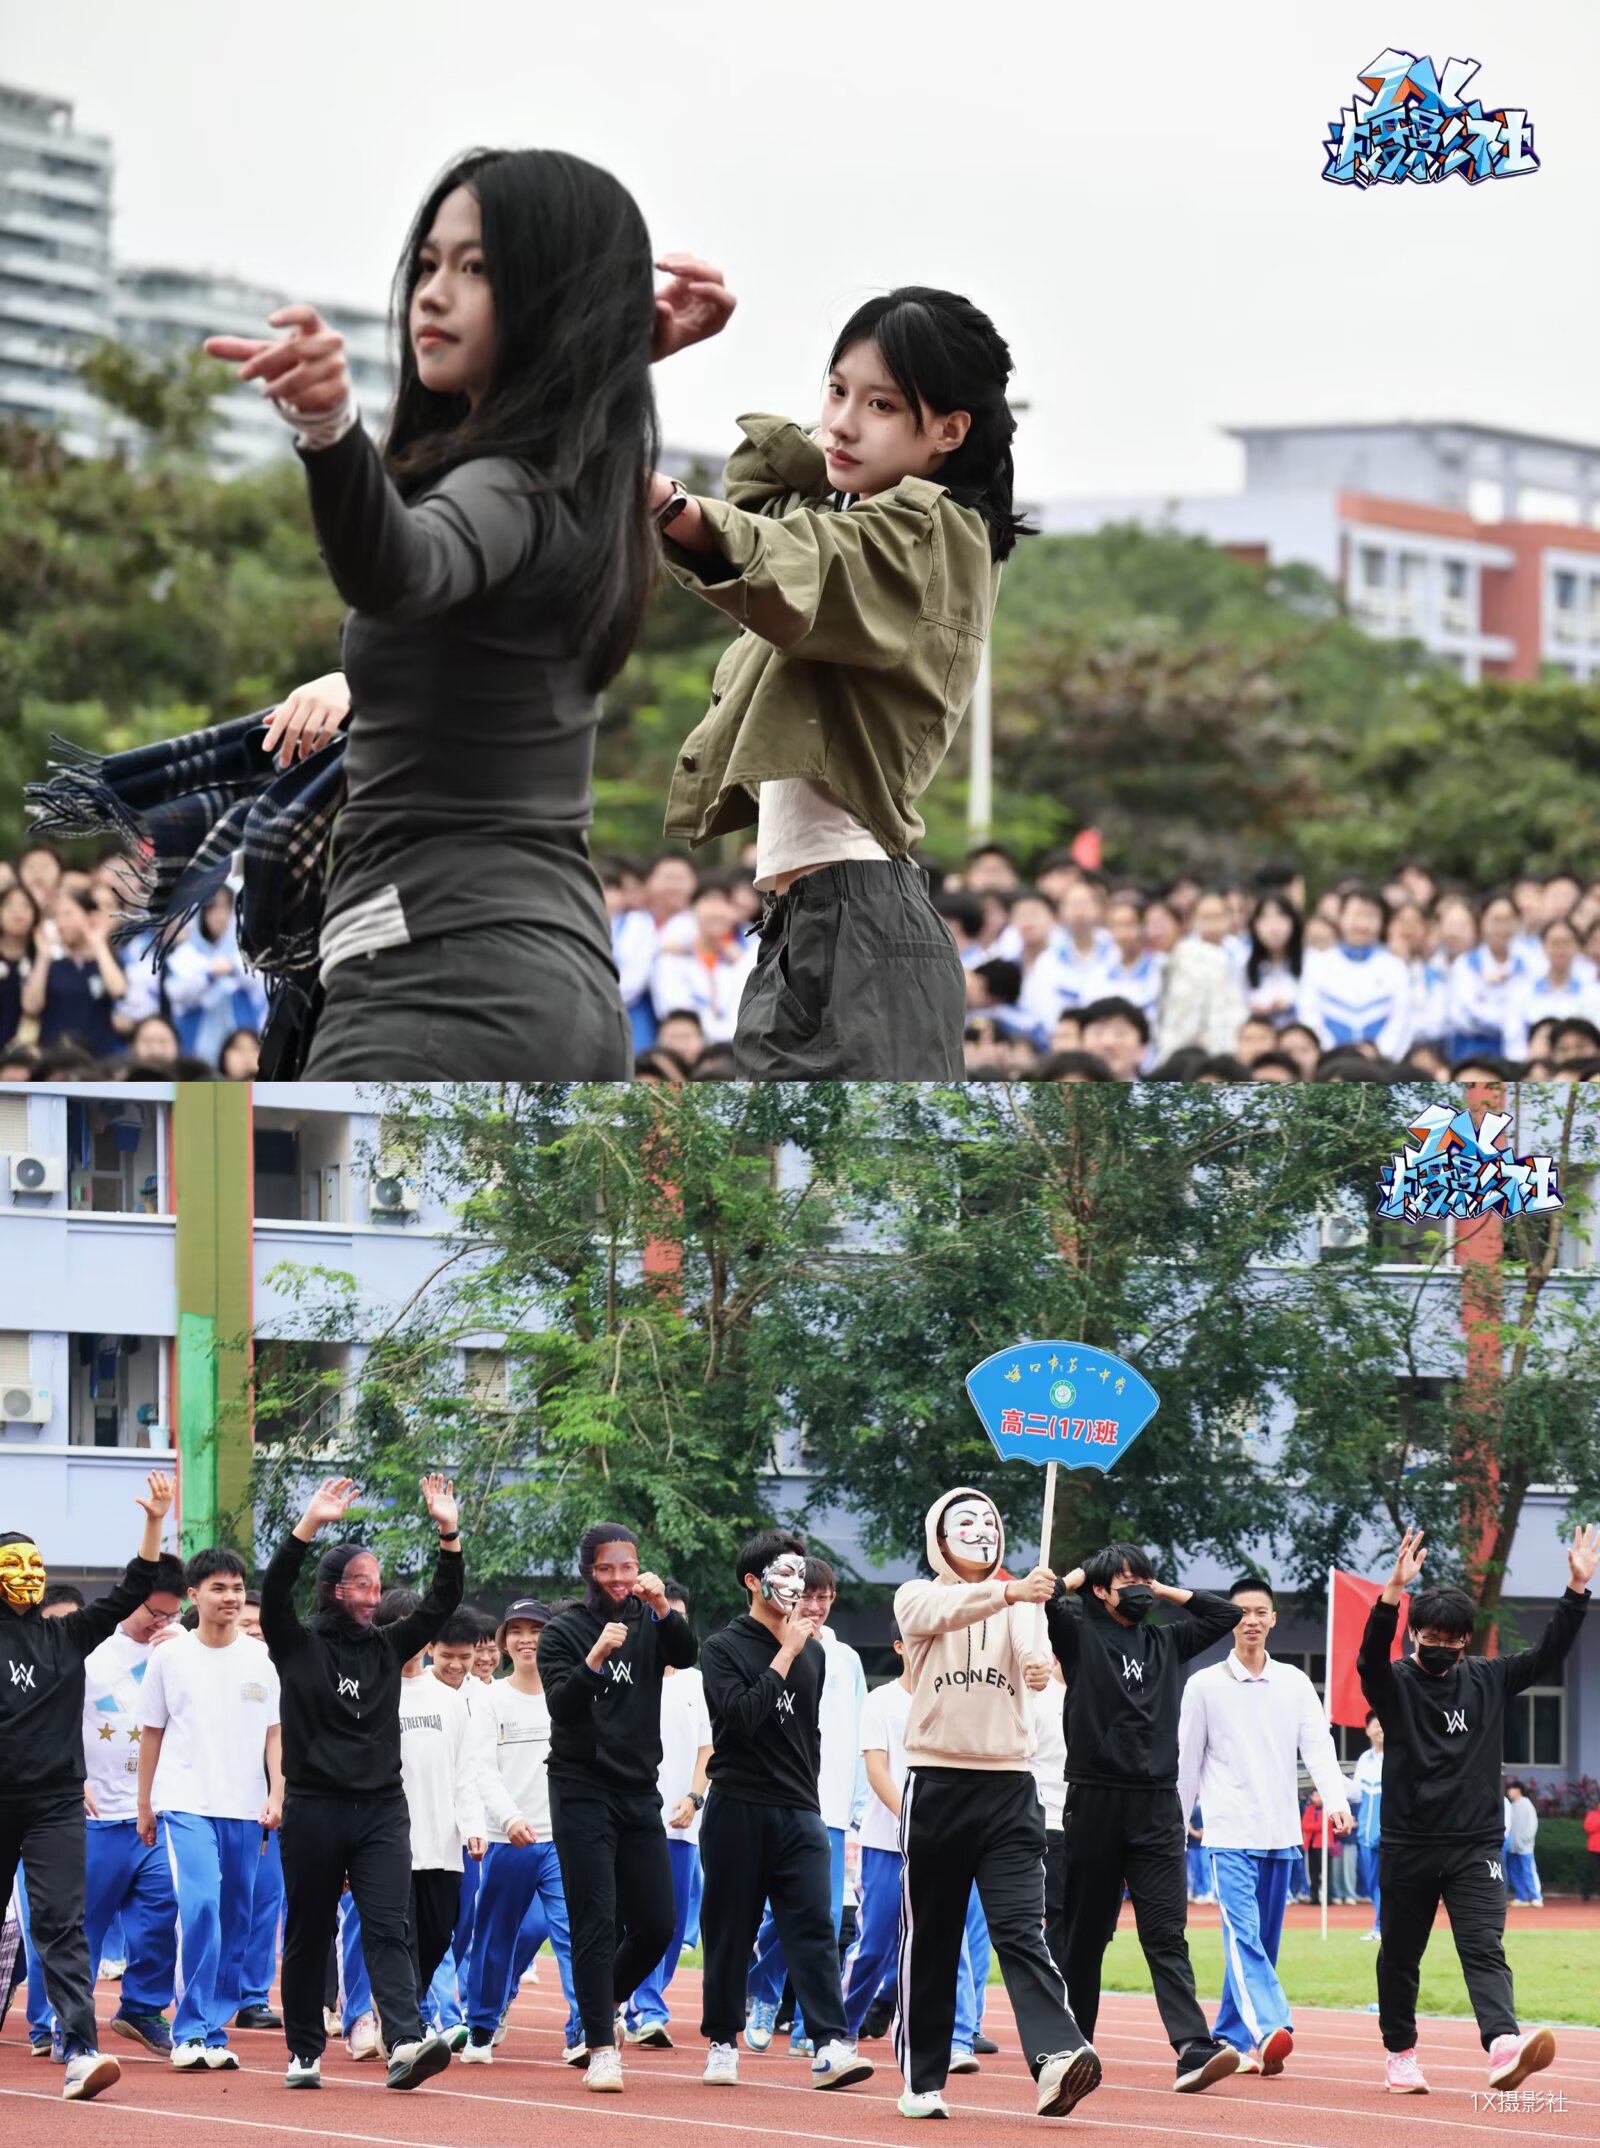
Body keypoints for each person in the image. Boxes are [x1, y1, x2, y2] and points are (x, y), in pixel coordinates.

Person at [197, 151, 704, 1078]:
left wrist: (328, 432)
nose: (433, 292)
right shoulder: (574, 480)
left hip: (436, 991)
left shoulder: (508, 487)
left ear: (549, 299)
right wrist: (615, 348)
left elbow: (397, 570)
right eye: (429, 264)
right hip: (553, 989)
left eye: (477, 268)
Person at [655, 282, 1030, 1079]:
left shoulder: (926, 532)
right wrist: (838, 446)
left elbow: (787, 554)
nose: (843, 423)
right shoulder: (861, 519)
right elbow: (766, 495)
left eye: (883, 404)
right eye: (835, 390)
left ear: (950, 430)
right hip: (814, 923)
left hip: (858, 924)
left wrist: (662, 504)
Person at [1358, 1523, 1596, 2096]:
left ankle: (1503, 2045)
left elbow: (1547, 1654)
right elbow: (1368, 1661)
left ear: (1466, 1641)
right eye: (1431, 1636)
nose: (1441, 1645)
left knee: (1484, 1946)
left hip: (1475, 1845)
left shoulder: (1489, 1677)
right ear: (1413, 1634)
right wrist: (1392, 1592)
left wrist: (1575, 1590)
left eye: (1452, 1638)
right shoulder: (1394, 1683)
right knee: (1400, 1955)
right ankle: (1400, 2054)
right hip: (1409, 1845)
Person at [894, 1488, 1099, 2122]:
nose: (981, 1529)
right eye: (966, 1521)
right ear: (939, 1538)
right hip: (937, 1783)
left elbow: (1033, 1653)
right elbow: (944, 1611)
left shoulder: (1023, 1601)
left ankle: (1057, 2056)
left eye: (990, 1521)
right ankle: (921, 2079)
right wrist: (1011, 1593)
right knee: (933, 1938)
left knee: (1022, 1930)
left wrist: (1037, 1665)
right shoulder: (916, 1595)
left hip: (1011, 1786)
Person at [261, 1472, 465, 2092]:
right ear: (331, 1590)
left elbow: (441, 1603)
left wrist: (448, 1533)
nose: (373, 1596)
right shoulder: (295, 1643)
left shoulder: (387, 1646)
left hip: (381, 1809)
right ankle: (303, 2051)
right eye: (361, 1584)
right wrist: (309, 1525)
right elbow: (275, 1590)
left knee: (388, 1924)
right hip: (314, 1808)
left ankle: (403, 2040)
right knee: (309, 1929)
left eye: (377, 1584)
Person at [0, 1469, 175, 2102]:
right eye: (14, 1564)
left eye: (35, 1563)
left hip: (54, 1804)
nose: (27, 1573)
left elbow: (132, 1586)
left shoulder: (69, 1635)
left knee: (62, 1924)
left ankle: (80, 2050)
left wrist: (153, 1522)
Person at [1046, 1542, 1242, 2093]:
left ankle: (1192, 2047)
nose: (1138, 1589)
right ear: (1100, 1591)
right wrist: (1085, 1573)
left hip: (1157, 1805)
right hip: (1095, 1799)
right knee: (1085, 1937)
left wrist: (1160, 1589)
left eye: (1144, 1579)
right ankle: (1072, 2047)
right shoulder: (1079, 1634)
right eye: (1126, 1581)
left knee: (1166, 1932)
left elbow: (1225, 1615)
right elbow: (1046, 1597)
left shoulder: (1165, 1640)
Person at [696, 1532, 872, 2093]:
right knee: (730, 1928)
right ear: (753, 1582)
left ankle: (829, 2043)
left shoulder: (817, 1654)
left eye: (802, 1574)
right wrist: (787, 1652)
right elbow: (742, 1720)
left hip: (799, 1810)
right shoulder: (722, 1648)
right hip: (737, 1806)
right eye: (784, 1574)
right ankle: (722, 2042)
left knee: (815, 1927)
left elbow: (805, 1737)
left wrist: (812, 1804)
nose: (797, 1587)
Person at [535, 1524, 697, 2092]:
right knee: (595, 1918)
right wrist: (597, 1656)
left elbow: (687, 1654)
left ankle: (598, 2007)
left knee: (657, 1924)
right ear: (589, 1571)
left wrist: (662, 1608)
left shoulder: (650, 1620)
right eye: (607, 1568)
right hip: (580, 1788)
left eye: (628, 1567)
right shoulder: (563, 1631)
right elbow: (562, 1705)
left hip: (637, 1790)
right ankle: (601, 2047)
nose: (619, 1578)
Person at [1176, 1574, 1353, 2079]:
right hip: (1228, 1833)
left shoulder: (1294, 1683)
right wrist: (1175, 1825)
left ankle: (1231, 2036)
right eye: (1242, 1613)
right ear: (1229, 1620)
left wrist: (1336, 1800)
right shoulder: (1203, 1685)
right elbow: (1186, 1763)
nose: (1251, 1621)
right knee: (1244, 1936)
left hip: (1281, 1833)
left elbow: (1318, 1746)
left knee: (1262, 1943)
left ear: (1273, 1619)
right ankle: (1272, 2026)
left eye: (1260, 1612)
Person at [135, 1547, 284, 2071]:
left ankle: (213, 2032)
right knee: (200, 1906)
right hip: (185, 1803)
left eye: (237, 1588)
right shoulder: (170, 1657)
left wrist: (277, 1792)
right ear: (193, 1596)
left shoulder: (261, 1659)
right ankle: (190, 2029)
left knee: (236, 1918)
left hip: (244, 1807)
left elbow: (275, 1734)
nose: (230, 1597)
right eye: (218, 1588)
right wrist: (145, 1804)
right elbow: (151, 1734)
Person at [744, 1556, 866, 2056]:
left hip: (830, 1807)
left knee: (823, 1917)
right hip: (781, 1797)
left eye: (822, 1597)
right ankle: (763, 1989)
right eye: (805, 1595)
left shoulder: (847, 1658)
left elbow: (858, 1728)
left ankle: (808, 2029)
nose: (813, 1606)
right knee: (781, 1914)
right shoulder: (772, 1648)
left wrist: (858, 1799)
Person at [462, 1599, 580, 2064]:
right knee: (494, 1938)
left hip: (561, 1840)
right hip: (506, 1839)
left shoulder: (568, 1693)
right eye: (517, 1631)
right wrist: (509, 1819)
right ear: (504, 1642)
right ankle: (481, 2026)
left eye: (537, 1629)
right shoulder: (490, 1699)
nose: (527, 1639)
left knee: (574, 1934)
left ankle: (583, 2029)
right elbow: (481, 1769)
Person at [77, 1553, 186, 2057]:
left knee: (162, 1916)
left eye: (171, 1614)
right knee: (81, 1926)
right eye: (154, 1614)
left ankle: (141, 2008)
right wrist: (73, 1777)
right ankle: (65, 2022)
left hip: (158, 1815)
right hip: (97, 1817)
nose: (160, 1624)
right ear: (131, 1597)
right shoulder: (91, 1647)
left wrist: (184, 1647)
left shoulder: (183, 1650)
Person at [372, 1588, 486, 2025]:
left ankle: (402, 2008)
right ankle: (404, 2021)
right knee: (399, 1936)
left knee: (439, 1933)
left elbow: (465, 1770)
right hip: (388, 1843)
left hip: (442, 1845)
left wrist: (472, 1826)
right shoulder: (373, 1693)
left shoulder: (449, 1700)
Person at [626, 1579, 710, 2049]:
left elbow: (708, 1748)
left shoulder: (697, 1681)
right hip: (633, 1818)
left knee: (672, 1925)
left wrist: (694, 1798)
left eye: (675, 1616)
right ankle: (645, 2007)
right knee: (639, 1920)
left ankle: (648, 2001)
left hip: (681, 1822)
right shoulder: (628, 1671)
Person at [1349, 1711, 1385, 1939]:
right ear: (1367, 1730)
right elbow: (1355, 1793)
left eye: (1383, 1725)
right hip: (1365, 1833)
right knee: (1371, 1881)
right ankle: (1380, 1925)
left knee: (1385, 1882)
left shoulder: (1395, 1757)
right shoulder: (1364, 1759)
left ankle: (1382, 1927)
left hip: (1387, 1833)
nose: (1380, 1729)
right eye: (1375, 1725)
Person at [1502, 1782, 1543, 1907]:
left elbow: (1532, 1825)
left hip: (1525, 1847)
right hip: (1513, 1846)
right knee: (1514, 1871)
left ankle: (1536, 1897)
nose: (1509, 1792)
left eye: (1511, 1789)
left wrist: (1525, 1840)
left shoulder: (1527, 1804)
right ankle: (1522, 1897)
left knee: (1528, 1871)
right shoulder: (1512, 1805)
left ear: (1518, 1790)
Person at [1582, 1795, 1600, 1902]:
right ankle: (1586, 1894)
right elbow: (1587, 1828)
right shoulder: (1592, 1815)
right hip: (1594, 1848)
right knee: (1591, 1871)